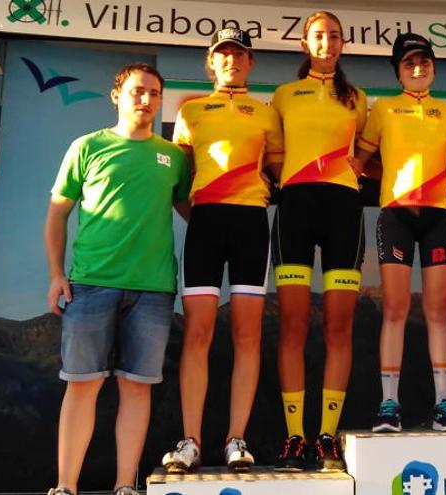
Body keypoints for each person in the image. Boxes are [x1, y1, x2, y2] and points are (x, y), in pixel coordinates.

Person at [44, 63, 190, 495]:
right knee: (82, 387)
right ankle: (65, 487)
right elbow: (57, 213)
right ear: (117, 95)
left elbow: (192, 211)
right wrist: (56, 274)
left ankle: (125, 486)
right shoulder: (87, 147)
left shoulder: (174, 157)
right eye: (137, 91)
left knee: (137, 389)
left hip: (153, 290)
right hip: (90, 283)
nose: (146, 99)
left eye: (154, 93)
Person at [160, 28, 283, 473]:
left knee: (248, 336)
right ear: (210, 63)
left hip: (251, 223)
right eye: (223, 55)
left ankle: (236, 439)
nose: (231, 61)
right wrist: (199, 218)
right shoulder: (190, 111)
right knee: (197, 334)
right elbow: (175, 177)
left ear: (250, 62)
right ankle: (190, 440)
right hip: (206, 222)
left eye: (239, 54)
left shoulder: (266, 113)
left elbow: (283, 169)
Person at [352, 33, 446, 433]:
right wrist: (398, 181)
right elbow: (362, 162)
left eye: (424, 62)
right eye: (409, 63)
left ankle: (444, 405)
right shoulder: (384, 108)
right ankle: (390, 404)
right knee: (396, 310)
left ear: (434, 68)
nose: (418, 69)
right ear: (398, 71)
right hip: (396, 216)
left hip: (438, 215)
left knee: (438, 311)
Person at [269, 10, 367, 472]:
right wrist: (293, 183)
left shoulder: (359, 98)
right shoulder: (284, 95)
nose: (326, 43)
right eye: (318, 37)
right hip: (295, 211)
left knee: (338, 328)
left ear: (342, 44)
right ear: (305, 45)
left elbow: (367, 158)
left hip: (345, 211)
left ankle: (326, 437)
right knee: (292, 325)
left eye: (333, 36)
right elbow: (271, 158)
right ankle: (295, 437)